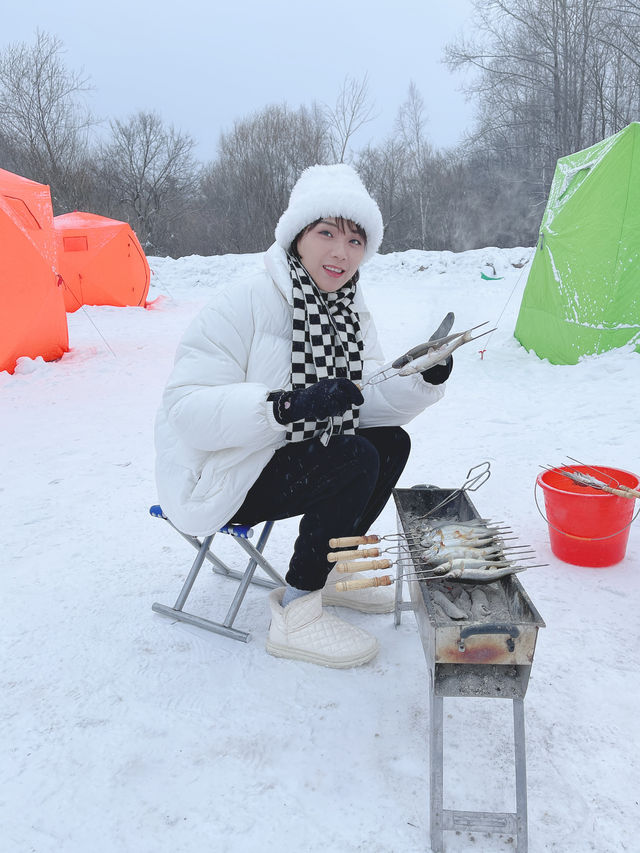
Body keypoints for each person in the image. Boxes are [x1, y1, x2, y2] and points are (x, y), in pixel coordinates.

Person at [154, 164, 452, 669]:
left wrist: (422, 376)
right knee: (353, 456)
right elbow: (185, 410)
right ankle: (297, 610)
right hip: (223, 472)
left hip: (284, 459)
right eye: (327, 233)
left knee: (390, 443)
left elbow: (364, 397)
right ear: (297, 236)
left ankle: (333, 567)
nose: (341, 251)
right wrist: (283, 407)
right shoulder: (244, 301)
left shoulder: (350, 312)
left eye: (356, 240)